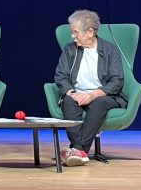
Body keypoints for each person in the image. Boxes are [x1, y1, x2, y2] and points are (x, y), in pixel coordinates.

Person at [53, 9, 127, 167]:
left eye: (75, 32)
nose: (73, 36)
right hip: (77, 93)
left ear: (90, 32)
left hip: (104, 95)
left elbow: (117, 81)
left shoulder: (110, 50)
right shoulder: (69, 49)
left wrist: (93, 95)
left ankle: (77, 149)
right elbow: (61, 76)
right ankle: (80, 151)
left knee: (99, 103)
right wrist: (72, 93)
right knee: (68, 101)